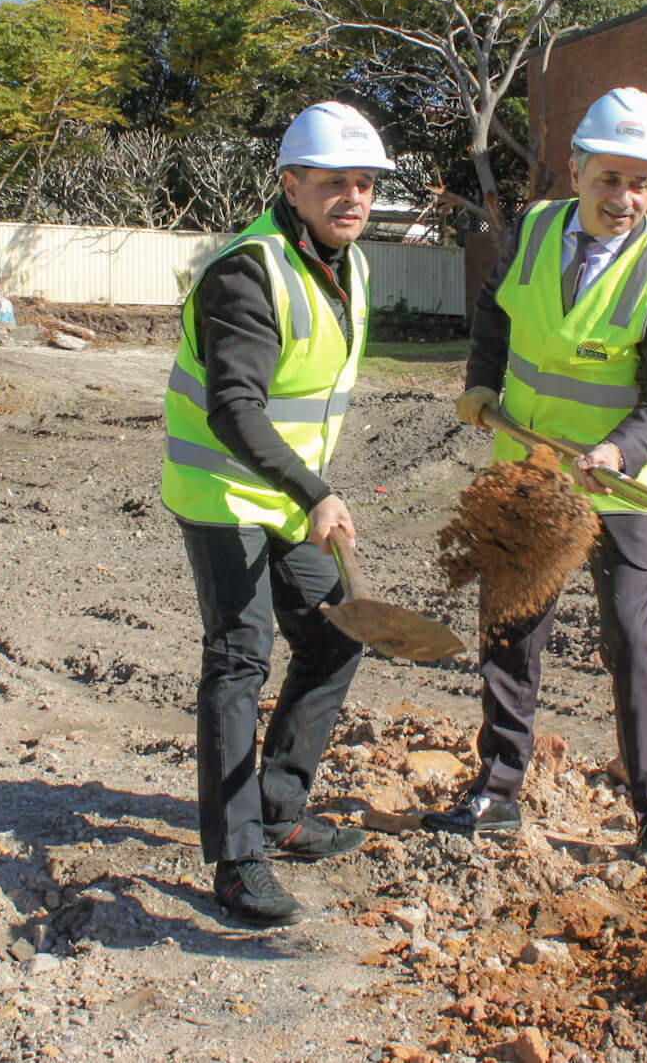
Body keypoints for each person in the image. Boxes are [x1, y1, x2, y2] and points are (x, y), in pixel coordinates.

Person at [427, 87, 647, 859]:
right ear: (577, 169)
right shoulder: (536, 229)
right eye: (610, 177)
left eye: (641, 182)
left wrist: (618, 452)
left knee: (629, 638)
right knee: (511, 629)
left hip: (623, 488)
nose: (625, 198)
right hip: (528, 474)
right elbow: (495, 308)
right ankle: (497, 794)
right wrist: (481, 378)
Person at [160, 101, 395, 926]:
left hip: (288, 495)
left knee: (335, 636)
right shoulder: (246, 271)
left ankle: (277, 808)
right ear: (290, 185)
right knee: (239, 659)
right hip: (223, 492)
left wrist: (309, 490)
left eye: (364, 184)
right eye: (334, 183)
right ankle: (234, 859)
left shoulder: (351, 267)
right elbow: (232, 407)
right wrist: (316, 490)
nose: (353, 199)